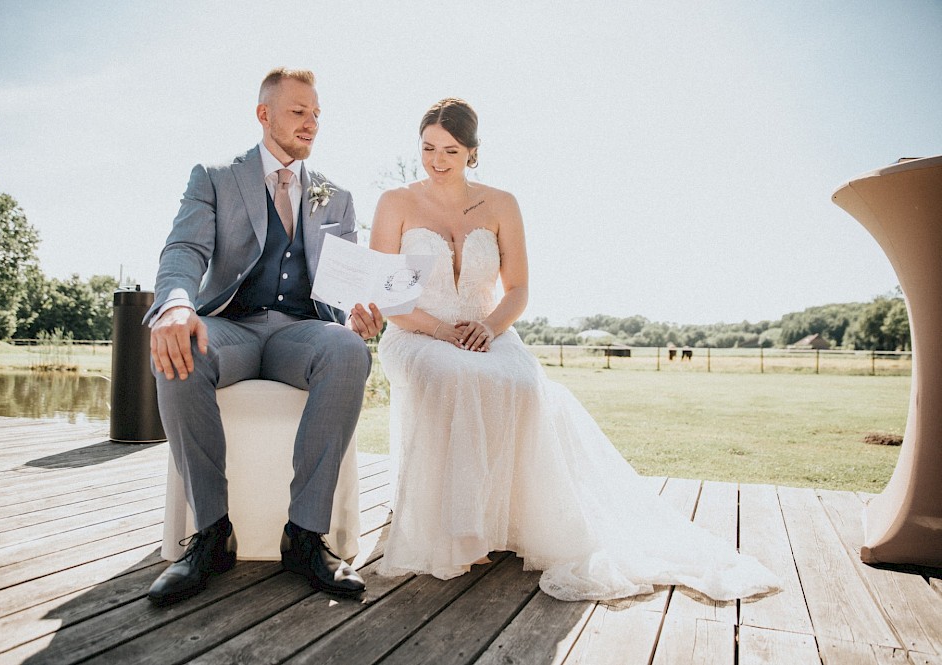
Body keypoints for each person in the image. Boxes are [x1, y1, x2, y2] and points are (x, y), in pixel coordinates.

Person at [368, 98, 780, 602]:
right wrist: (439, 330)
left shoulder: (502, 204)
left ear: (473, 152)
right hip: (417, 332)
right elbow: (389, 299)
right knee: (452, 376)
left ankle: (509, 519)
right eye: (428, 148)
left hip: (488, 329)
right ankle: (457, 531)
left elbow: (518, 289)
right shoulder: (396, 202)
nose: (436, 160)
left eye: (450, 150)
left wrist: (489, 328)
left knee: (521, 383)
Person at [144, 68, 383, 606]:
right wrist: (177, 305)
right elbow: (184, 251)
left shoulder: (336, 197)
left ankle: (304, 535)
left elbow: (341, 284)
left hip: (300, 334)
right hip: (231, 328)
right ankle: (210, 534)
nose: (311, 123)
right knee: (178, 350)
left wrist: (357, 316)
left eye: (317, 114)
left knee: (347, 349)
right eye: (299, 112)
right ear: (264, 114)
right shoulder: (214, 176)